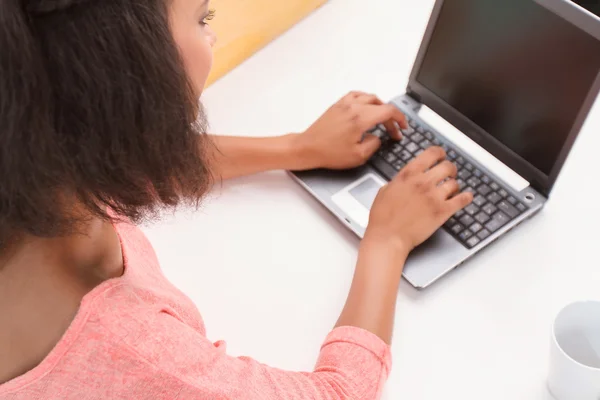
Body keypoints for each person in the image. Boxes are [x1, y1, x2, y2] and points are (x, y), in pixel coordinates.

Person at [0, 0, 473, 399]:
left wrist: (297, 148)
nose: (212, 38)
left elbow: (127, 165)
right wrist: (387, 241)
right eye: (202, 19)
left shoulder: (33, 167)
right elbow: (336, 394)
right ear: (122, 74)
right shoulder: (132, 350)